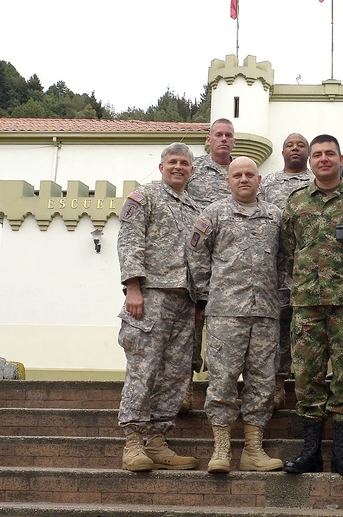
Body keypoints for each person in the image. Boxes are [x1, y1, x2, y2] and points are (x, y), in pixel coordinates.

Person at [279, 134, 343, 476]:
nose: (323, 159)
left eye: (330, 154)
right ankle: (311, 451)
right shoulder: (295, 203)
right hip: (307, 303)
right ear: (310, 161)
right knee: (307, 376)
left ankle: (341, 451)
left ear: (341, 160)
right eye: (317, 154)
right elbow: (287, 250)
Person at [186, 156, 284, 474]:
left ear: (259, 180)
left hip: (266, 313)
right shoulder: (213, 214)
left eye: (250, 174)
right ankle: (221, 449)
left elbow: (287, 259)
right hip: (225, 314)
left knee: (263, 381)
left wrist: (280, 292)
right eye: (237, 175)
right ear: (228, 181)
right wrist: (207, 293)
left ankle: (253, 450)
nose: (244, 179)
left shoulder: (276, 217)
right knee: (223, 380)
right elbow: (196, 253)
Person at [115, 143, 200, 471]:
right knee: (144, 368)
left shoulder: (194, 208)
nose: (178, 167)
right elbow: (129, 239)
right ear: (161, 166)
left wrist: (198, 301)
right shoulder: (145, 196)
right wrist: (133, 287)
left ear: (191, 170)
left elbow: (197, 257)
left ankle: (157, 441)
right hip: (150, 296)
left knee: (175, 373)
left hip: (184, 300)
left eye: (184, 163)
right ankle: (133, 442)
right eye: (173, 162)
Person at [257, 133, 314, 408]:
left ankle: (308, 387)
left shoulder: (318, 183)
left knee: (308, 332)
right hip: (275, 273)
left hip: (310, 272)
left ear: (308, 152)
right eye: (290, 144)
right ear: (282, 152)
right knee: (277, 332)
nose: (295, 149)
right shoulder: (268, 183)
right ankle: (278, 385)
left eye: (300, 145)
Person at [184, 118, 237, 409]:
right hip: (195, 261)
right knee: (191, 326)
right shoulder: (194, 170)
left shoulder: (242, 169)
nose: (224, 139)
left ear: (235, 141)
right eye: (219, 134)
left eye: (229, 135)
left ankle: (221, 389)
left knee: (226, 330)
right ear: (209, 139)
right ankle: (185, 388)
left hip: (230, 264)